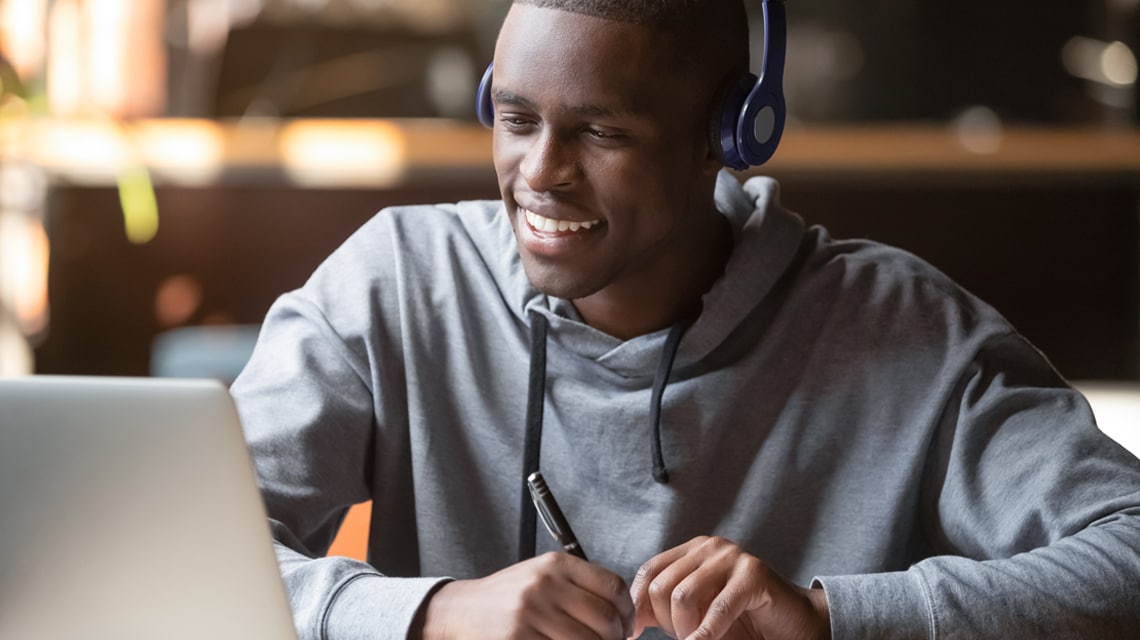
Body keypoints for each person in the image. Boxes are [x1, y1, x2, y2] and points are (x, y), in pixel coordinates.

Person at [230, 1, 1140, 638]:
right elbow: (174, 551)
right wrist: (428, 615)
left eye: (601, 133)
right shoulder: (396, 282)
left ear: (729, 136)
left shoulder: (904, 330)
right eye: (515, 118)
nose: (539, 172)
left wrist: (829, 619)